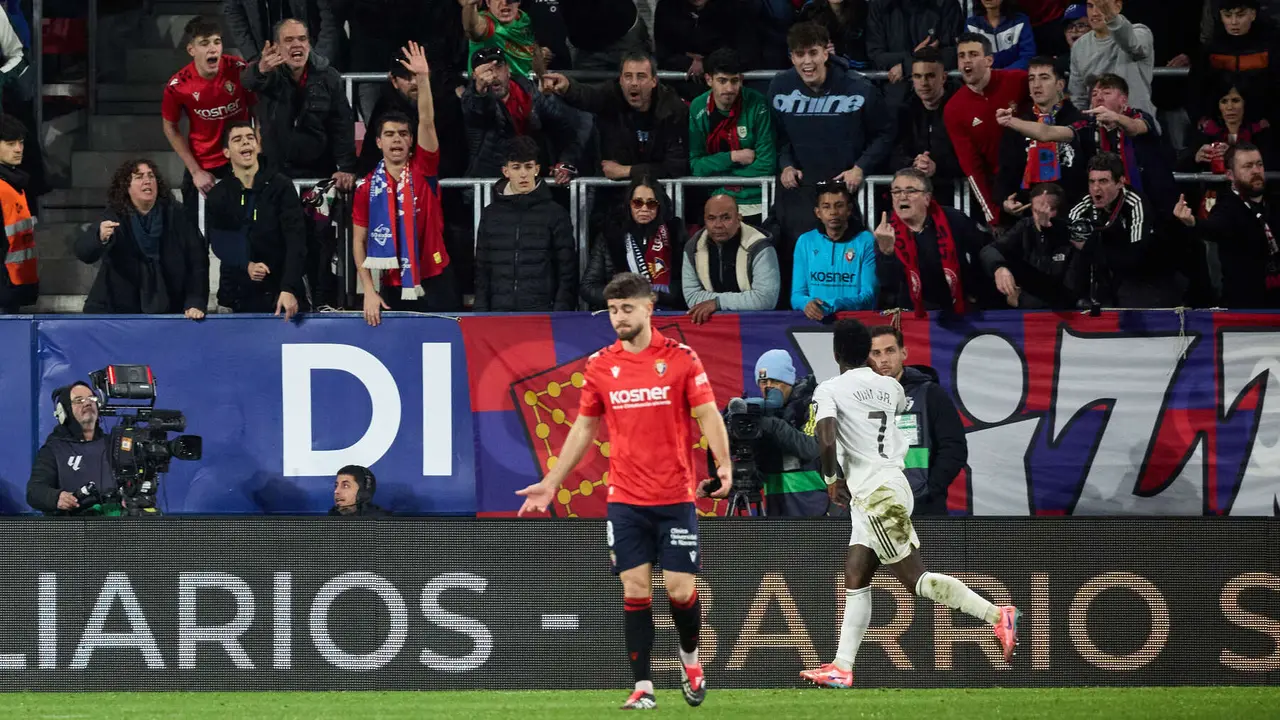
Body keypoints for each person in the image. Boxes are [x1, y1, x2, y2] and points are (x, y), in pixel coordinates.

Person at [515, 272, 733, 711]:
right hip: (625, 498)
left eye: (627, 309)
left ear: (649, 308)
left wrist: (724, 465)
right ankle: (643, 686)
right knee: (635, 590)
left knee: (679, 590)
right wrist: (552, 481)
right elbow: (583, 428)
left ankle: (690, 658)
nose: (619, 318)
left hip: (674, 496)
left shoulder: (681, 358)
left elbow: (708, 415)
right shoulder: (600, 365)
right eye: (613, 310)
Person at [799, 318, 1018, 688]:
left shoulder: (830, 389)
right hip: (892, 483)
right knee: (856, 573)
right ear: (866, 354)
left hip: (873, 494)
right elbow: (887, 415)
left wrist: (831, 479)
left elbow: (826, 435)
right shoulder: (891, 388)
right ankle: (841, 666)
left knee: (916, 579)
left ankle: (998, 615)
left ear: (836, 353)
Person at [353, 42, 457, 328]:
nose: (396, 139)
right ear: (378, 142)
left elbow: (426, 121)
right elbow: (358, 242)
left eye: (402, 134)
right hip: (393, 283)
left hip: (436, 277)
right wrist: (369, 291)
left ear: (411, 141)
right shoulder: (367, 188)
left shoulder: (425, 168)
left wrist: (423, 79)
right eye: (389, 134)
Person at [770, 21, 893, 257]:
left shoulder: (859, 87)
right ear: (791, 57)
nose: (807, 62)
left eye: (813, 53)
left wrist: (861, 167)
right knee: (801, 256)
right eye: (800, 54)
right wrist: (785, 164)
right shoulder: (779, 86)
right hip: (802, 189)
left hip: (848, 187)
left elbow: (884, 134)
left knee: (852, 258)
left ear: (826, 52)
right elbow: (777, 135)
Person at [997, 73, 1176, 213]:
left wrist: (1116, 118)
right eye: (1095, 94)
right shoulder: (1087, 124)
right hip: (1108, 203)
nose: (1098, 98)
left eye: (1106, 93)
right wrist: (1010, 121)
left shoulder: (1139, 116)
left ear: (1123, 100)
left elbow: (1135, 128)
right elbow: (1048, 133)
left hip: (1153, 201)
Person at [76, 160, 208, 317]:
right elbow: (83, 252)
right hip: (117, 309)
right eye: (139, 177)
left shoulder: (177, 215)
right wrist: (99, 237)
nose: (148, 181)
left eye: (151, 176)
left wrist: (196, 302)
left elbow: (197, 262)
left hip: (171, 307)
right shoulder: (115, 215)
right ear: (126, 187)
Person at [204, 121, 306, 318]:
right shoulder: (218, 194)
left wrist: (289, 287)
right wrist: (246, 264)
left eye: (250, 138)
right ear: (226, 152)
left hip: (280, 294)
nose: (245, 143)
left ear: (258, 146)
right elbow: (219, 240)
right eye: (237, 139)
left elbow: (296, 240)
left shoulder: (281, 186)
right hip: (235, 298)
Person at [242, 17, 356, 190]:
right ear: (277, 47)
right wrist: (260, 70)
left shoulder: (328, 76)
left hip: (319, 173)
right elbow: (248, 81)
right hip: (276, 174)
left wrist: (346, 167)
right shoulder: (268, 73)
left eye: (302, 39)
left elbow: (342, 125)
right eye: (289, 40)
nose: (297, 44)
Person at [161, 17, 253, 229]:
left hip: (239, 161)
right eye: (204, 43)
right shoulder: (178, 85)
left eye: (217, 42)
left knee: (246, 232)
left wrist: (256, 152)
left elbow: (258, 111)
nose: (213, 49)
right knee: (194, 236)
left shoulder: (239, 70)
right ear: (191, 49)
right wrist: (195, 171)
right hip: (203, 165)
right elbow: (170, 127)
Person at [867, 325, 968, 516]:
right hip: (875, 505)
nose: (884, 359)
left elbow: (954, 447)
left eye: (890, 351)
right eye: (876, 353)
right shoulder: (860, 399)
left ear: (904, 353)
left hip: (923, 506)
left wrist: (930, 490)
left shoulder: (930, 393)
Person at [541, 53, 690, 181]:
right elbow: (588, 95)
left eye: (641, 77)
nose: (634, 83)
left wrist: (626, 171)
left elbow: (674, 167)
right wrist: (567, 87)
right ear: (620, 80)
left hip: (657, 191)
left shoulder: (673, 109)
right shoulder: (612, 95)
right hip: (614, 193)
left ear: (654, 81)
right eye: (628, 76)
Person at [473, 136, 578, 311]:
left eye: (528, 167)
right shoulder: (490, 214)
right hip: (499, 313)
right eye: (516, 167)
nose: (523, 174)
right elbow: (482, 269)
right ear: (505, 171)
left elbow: (567, 270)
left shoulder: (555, 213)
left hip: (542, 313)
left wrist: (560, 312)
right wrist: (481, 312)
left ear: (537, 169)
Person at [1174, 142, 1280, 307]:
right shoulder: (1227, 207)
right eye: (1247, 166)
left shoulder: (1274, 201)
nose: (1256, 171)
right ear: (1230, 174)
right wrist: (1192, 222)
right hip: (1245, 306)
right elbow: (1214, 228)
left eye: (1259, 164)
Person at [1067, 152, 1179, 307]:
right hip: (1110, 266)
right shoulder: (1086, 202)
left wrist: (1090, 247)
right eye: (1091, 182)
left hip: (1145, 273)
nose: (1095, 188)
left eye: (1103, 181)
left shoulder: (1136, 204)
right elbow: (1068, 231)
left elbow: (1136, 256)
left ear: (1120, 182)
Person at [461, 46, 590, 180]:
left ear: (508, 70)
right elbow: (477, 109)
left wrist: (566, 162)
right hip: (491, 184)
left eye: (498, 67)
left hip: (533, 178)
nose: (493, 76)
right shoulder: (471, 99)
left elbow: (569, 126)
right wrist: (479, 91)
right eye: (485, 71)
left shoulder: (530, 92)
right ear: (475, 76)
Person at [874, 168, 991, 315]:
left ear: (927, 198)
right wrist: (886, 253)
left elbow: (984, 249)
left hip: (957, 309)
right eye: (896, 191)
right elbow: (888, 285)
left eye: (911, 191)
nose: (902, 197)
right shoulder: (886, 232)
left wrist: (977, 290)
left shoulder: (953, 219)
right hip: (912, 314)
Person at [943, 32, 1030, 225]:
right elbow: (971, 167)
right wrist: (992, 214)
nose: (967, 61)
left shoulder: (1018, 81)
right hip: (1002, 188)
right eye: (962, 56)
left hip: (1037, 176)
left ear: (989, 60)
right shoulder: (954, 109)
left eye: (973, 54)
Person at [688, 48, 776, 220]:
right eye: (722, 81)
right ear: (708, 80)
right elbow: (696, 166)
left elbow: (767, 164)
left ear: (741, 80)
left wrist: (719, 177)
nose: (729, 88)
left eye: (734, 81)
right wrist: (733, 157)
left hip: (756, 199)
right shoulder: (698, 107)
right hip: (716, 198)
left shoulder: (758, 104)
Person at [996, 56, 1087, 216]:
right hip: (1027, 216)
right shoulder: (1018, 124)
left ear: (1060, 85)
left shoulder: (1079, 121)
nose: (1036, 85)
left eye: (1044, 78)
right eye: (1032, 79)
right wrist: (1005, 202)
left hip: (1072, 215)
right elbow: (1006, 173)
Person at [581, 178, 687, 310]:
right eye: (638, 203)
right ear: (628, 204)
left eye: (651, 203)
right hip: (620, 313)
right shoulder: (610, 235)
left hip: (663, 314)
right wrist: (622, 296)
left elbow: (685, 287)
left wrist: (655, 295)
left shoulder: (674, 234)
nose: (644, 208)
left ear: (660, 205)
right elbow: (588, 287)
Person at [981, 182, 1087, 308]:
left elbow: (1068, 294)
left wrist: (1020, 299)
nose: (1043, 215)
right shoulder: (1025, 228)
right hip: (1023, 315)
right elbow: (988, 251)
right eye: (1038, 211)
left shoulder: (1071, 236)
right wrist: (999, 268)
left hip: (1060, 313)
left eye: (1050, 209)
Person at [750, 349, 827, 516]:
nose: (769, 387)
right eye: (763, 382)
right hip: (776, 511)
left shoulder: (811, 403)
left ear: (789, 382)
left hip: (814, 508)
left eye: (775, 381)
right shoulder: (762, 417)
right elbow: (756, 472)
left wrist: (773, 426)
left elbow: (812, 448)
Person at [681, 194, 782, 323]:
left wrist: (717, 303)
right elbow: (691, 297)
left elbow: (765, 299)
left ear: (739, 219)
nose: (718, 225)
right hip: (710, 324)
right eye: (711, 218)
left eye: (725, 218)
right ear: (704, 221)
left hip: (755, 325)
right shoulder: (693, 247)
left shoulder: (759, 247)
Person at [27, 383, 116, 516]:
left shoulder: (113, 444)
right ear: (64, 411)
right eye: (79, 400)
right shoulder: (53, 449)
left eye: (92, 398)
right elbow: (34, 492)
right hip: (72, 530)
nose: (87, 403)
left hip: (115, 530)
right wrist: (55, 497)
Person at [791, 181, 877, 317]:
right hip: (815, 324)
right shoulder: (805, 241)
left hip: (855, 324)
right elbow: (796, 295)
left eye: (839, 206)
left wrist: (834, 305)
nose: (833, 212)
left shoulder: (866, 241)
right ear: (818, 212)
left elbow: (869, 296)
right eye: (826, 207)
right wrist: (806, 304)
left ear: (849, 210)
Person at [1190, 0, 1279, 123]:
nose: (1234, 22)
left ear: (1253, 14)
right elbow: (1196, 88)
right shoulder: (1211, 50)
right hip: (1218, 126)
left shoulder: (1271, 48)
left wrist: (1272, 120)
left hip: (1262, 126)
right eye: (1227, 15)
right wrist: (1201, 118)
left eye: (1240, 15)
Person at [889, 49, 962, 198]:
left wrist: (937, 166)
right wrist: (914, 164)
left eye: (930, 76)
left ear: (943, 77)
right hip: (915, 194)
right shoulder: (904, 110)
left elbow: (970, 155)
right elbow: (894, 154)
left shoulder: (961, 106)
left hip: (955, 192)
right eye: (917, 76)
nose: (923, 83)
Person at [866, 0, 964, 109]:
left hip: (940, 95)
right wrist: (916, 56)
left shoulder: (946, 3)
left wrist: (909, 63)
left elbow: (956, 53)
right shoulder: (879, 6)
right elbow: (876, 56)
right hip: (896, 97)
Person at [1068, 0, 1156, 118]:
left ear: (1118, 6)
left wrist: (1111, 17)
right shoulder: (1079, 46)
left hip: (1137, 125)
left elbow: (1131, 44)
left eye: (1102, 6)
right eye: (1090, 6)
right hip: (1099, 127)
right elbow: (1078, 96)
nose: (1094, 13)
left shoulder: (1141, 33)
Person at [654, 0, 759, 83]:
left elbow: (747, 54)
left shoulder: (737, 8)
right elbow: (663, 54)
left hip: (728, 85)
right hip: (679, 86)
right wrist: (688, 63)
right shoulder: (667, 8)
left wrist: (706, 63)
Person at [1179, 83, 1273, 173]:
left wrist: (1232, 154)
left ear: (1245, 103)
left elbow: (1270, 164)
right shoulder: (1205, 132)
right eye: (1224, 101)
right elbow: (1179, 167)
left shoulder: (1261, 131)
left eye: (1235, 100)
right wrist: (1195, 158)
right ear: (1218, 106)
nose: (1230, 107)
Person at [222, 0, 341, 65]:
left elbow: (330, 18)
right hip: (269, 60)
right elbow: (233, 13)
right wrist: (254, 58)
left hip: (314, 56)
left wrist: (321, 58)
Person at [0, 113, 35, 313]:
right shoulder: (5, 187)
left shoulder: (15, 186)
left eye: (20, 143)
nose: (18, 149)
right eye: (11, 143)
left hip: (13, 290)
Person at [460, 0, 541, 80]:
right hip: (491, 89)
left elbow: (532, 48)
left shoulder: (525, 19)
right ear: (488, 2)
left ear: (519, 2)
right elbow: (471, 27)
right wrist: (470, 5)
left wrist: (542, 77)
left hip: (526, 89)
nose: (504, 3)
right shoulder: (487, 24)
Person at [797, 0, 871, 70]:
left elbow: (867, 53)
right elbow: (796, 47)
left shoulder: (863, 8)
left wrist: (838, 58)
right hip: (820, 72)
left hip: (858, 74)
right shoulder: (809, 10)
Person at [966, 0, 1038, 70]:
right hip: (985, 79)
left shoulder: (1020, 21)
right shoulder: (972, 25)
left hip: (1015, 77)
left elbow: (1027, 56)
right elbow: (970, 58)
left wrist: (1002, 74)